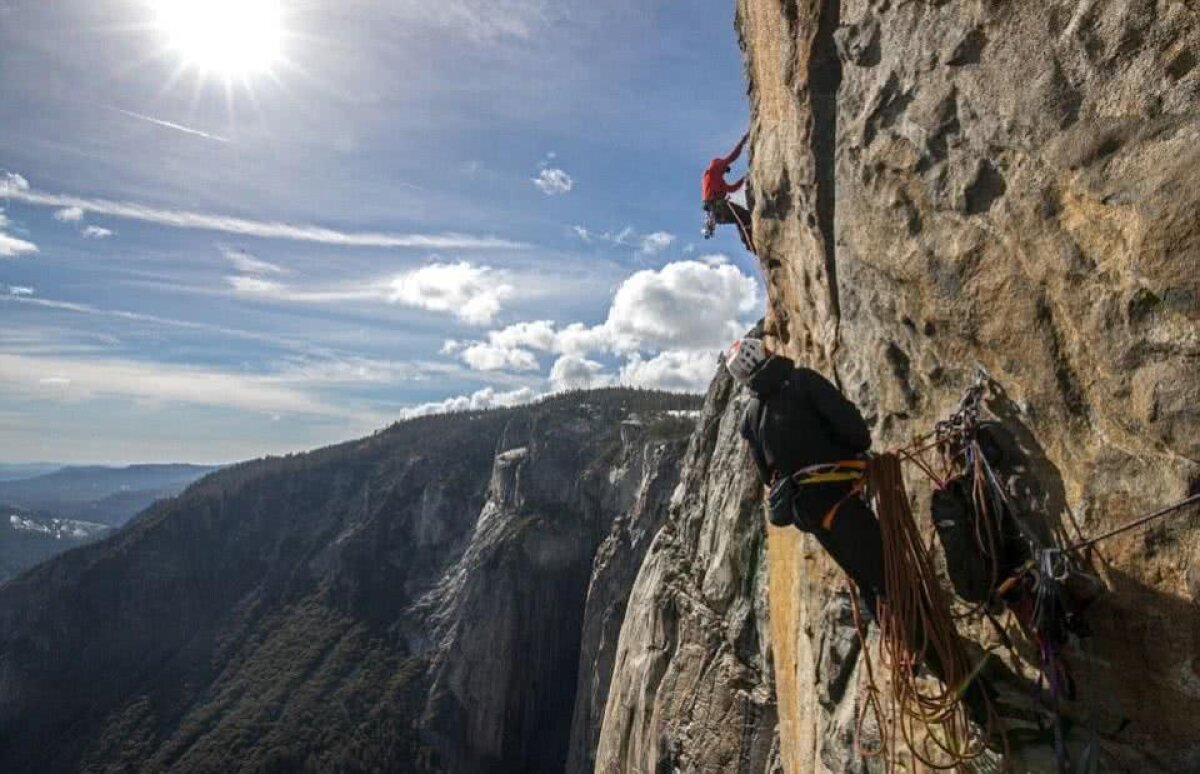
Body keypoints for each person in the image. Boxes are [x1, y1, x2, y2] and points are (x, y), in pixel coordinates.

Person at [725, 332, 884, 617]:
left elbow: (767, 476)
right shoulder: (802, 381)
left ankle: (906, 651)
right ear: (765, 353)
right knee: (891, 579)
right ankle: (940, 654)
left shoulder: (750, 419)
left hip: (809, 514)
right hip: (841, 498)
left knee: (869, 584)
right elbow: (857, 433)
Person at [702, 133, 754, 251]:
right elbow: (732, 157)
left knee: (739, 217)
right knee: (744, 216)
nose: (725, 172)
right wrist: (742, 142)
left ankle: (748, 244)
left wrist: (744, 179)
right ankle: (750, 242)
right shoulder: (715, 167)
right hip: (717, 205)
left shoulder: (714, 181)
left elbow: (732, 189)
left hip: (715, 212)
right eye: (725, 169)